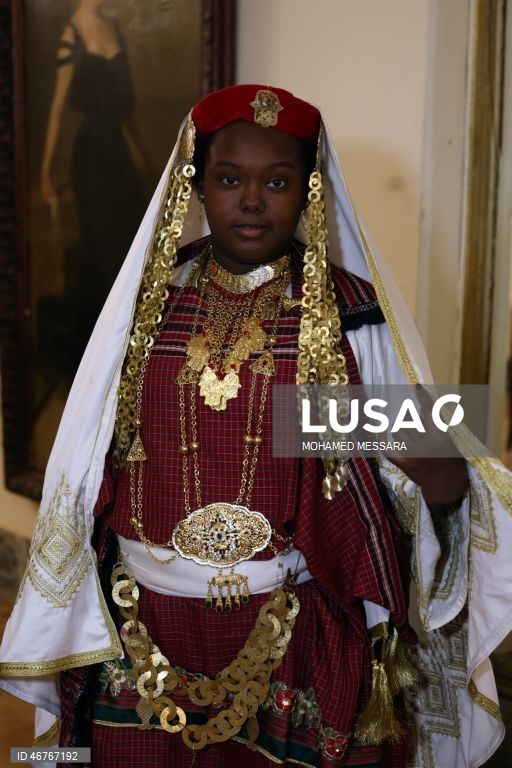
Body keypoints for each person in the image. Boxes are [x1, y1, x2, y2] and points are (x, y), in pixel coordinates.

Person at [1, 84, 512, 768]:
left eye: (276, 181)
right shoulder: (145, 306)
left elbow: (436, 464)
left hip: (290, 629)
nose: (250, 200)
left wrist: (438, 467)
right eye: (229, 179)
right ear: (197, 186)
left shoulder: (348, 314)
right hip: (142, 625)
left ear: (308, 192)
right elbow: (92, 462)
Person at [40, 0, 149, 369]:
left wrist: (149, 162)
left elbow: (129, 113)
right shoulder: (71, 34)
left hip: (117, 153)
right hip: (89, 157)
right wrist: (45, 172)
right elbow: (56, 110)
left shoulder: (115, 29)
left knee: (128, 246)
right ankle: (95, 359)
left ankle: (128, 358)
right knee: (100, 249)